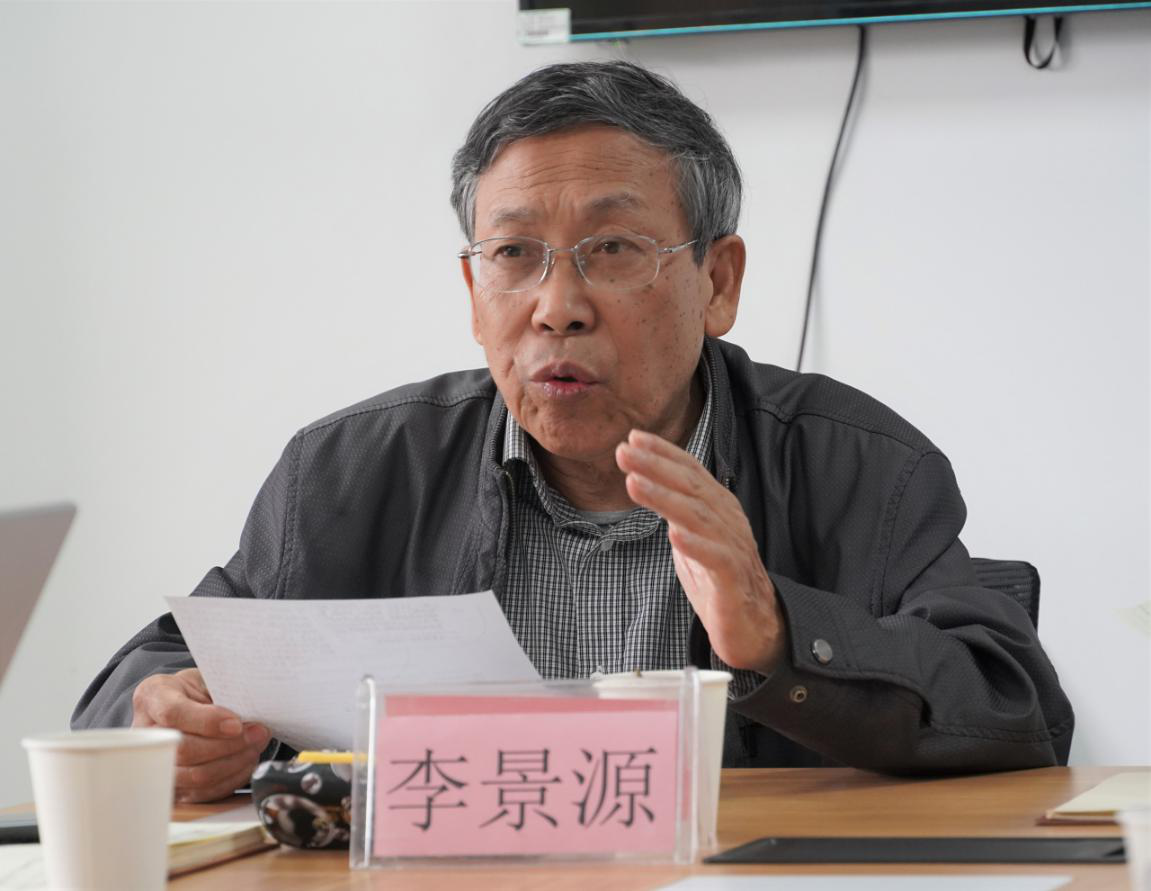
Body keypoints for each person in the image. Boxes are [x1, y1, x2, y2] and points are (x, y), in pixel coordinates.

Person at [73, 61, 1074, 803]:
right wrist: (162, 713)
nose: (556, 307)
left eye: (612, 248)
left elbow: (1015, 710)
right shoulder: (348, 474)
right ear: (473, 291)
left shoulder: (859, 466)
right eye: (514, 254)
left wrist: (777, 635)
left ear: (718, 281)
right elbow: (152, 672)